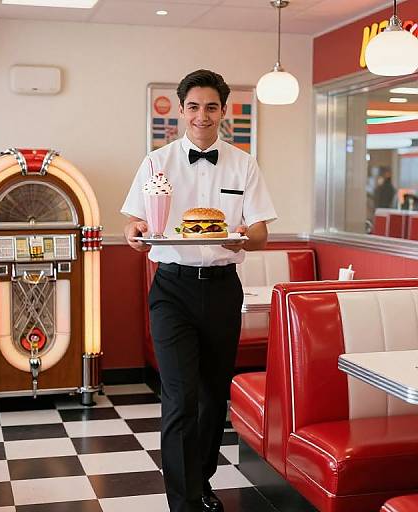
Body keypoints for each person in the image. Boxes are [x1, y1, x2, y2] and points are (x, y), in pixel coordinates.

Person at [121, 69, 277, 512]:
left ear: (223, 111)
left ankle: (201, 481)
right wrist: (134, 230)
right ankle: (184, 503)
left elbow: (262, 231)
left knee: (213, 396)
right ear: (182, 110)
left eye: (211, 107)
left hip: (224, 289)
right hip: (172, 289)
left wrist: (245, 235)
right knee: (179, 396)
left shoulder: (243, 163)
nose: (202, 115)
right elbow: (134, 222)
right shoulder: (157, 161)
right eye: (193, 107)